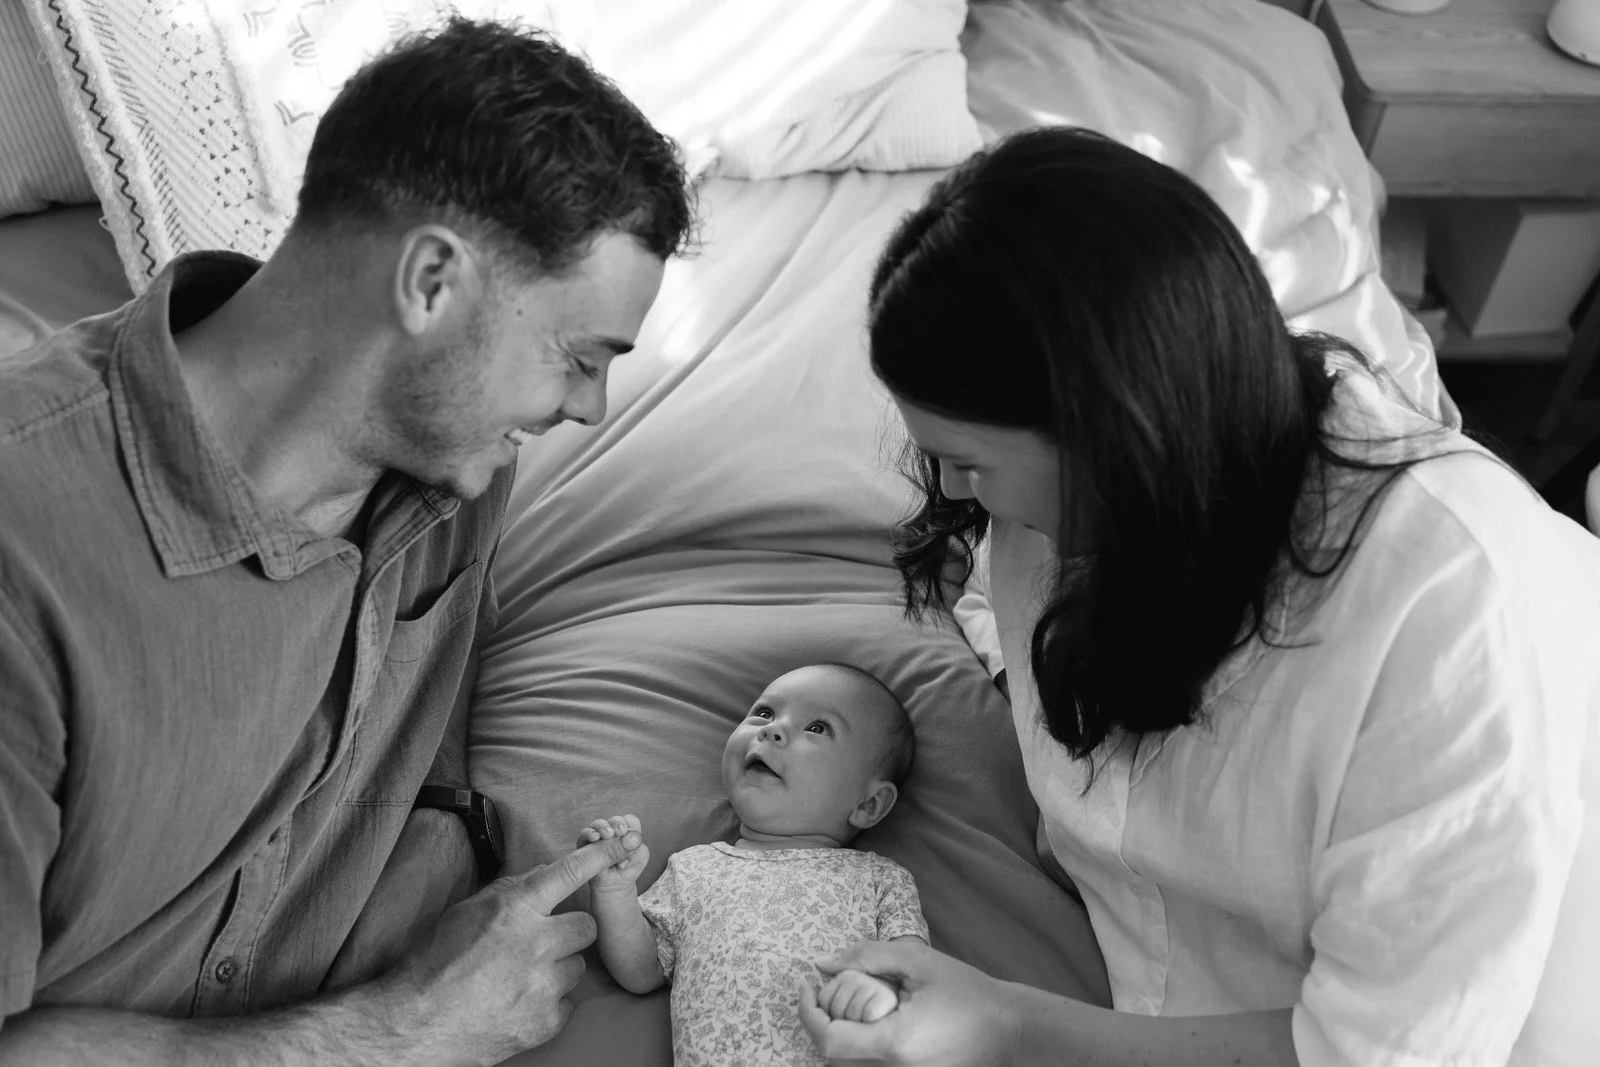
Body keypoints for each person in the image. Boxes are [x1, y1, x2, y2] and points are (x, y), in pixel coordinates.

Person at [798, 127, 1600, 1065]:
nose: (958, 495)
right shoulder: (1066, 519)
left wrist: (1005, 1023)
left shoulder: (1445, 619)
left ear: (1116, 436)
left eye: (969, 461)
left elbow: (1375, 1050)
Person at [0, 17, 693, 1065]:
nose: (590, 409)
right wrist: (402, 1029)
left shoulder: (459, 467)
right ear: (428, 283)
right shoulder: (27, 548)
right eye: (577, 355)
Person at [582, 663, 927, 1065]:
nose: (772, 729)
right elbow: (642, 971)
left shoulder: (880, 880)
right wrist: (614, 891)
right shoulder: (693, 868)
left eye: (817, 728)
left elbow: (920, 973)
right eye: (764, 713)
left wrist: (882, 989)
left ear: (868, 804)